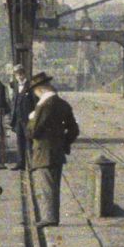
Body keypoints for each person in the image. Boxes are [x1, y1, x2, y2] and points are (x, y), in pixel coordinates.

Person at [26, 71, 80, 227]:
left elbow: (32, 132)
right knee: (53, 185)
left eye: (35, 92)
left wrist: (31, 119)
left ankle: (50, 218)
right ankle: (51, 216)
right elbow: (74, 130)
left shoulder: (43, 106)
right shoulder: (63, 104)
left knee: (47, 186)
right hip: (57, 152)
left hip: (44, 152)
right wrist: (63, 143)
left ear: (40, 90)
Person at [12, 73, 37, 170]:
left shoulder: (30, 86)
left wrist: (33, 118)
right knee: (19, 142)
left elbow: (35, 103)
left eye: (20, 75)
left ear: (24, 75)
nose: (18, 77)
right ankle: (21, 164)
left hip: (27, 119)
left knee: (29, 142)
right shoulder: (17, 86)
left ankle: (32, 165)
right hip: (18, 119)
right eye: (17, 76)